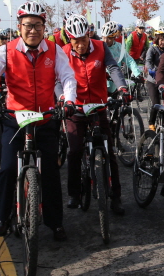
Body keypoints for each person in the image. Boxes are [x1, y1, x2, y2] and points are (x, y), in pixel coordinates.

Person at [0, 1, 77, 240]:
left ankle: (55, 222)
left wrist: (69, 100)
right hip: (15, 120)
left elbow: (68, 77)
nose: (33, 30)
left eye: (38, 25)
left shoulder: (53, 50)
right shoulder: (6, 51)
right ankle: (4, 218)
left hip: (45, 119)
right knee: (7, 169)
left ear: (44, 27)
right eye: (28, 25)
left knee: (50, 172)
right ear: (19, 27)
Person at [60, 15, 129, 214]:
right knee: (73, 151)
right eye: (75, 41)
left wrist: (122, 87)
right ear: (69, 39)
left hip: (98, 107)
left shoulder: (100, 46)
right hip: (76, 109)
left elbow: (113, 67)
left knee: (109, 151)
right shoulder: (64, 53)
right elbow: (58, 80)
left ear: (89, 35)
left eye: (83, 40)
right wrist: (63, 98)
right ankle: (74, 193)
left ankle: (116, 197)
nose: (80, 45)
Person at [101, 21, 142, 92]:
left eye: (109, 38)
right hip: (101, 84)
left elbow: (129, 60)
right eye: (104, 37)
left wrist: (137, 73)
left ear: (114, 37)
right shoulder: (98, 46)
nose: (105, 41)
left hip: (115, 85)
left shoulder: (119, 47)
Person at [146, 28, 164, 131]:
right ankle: (151, 123)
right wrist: (151, 70)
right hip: (152, 80)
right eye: (161, 39)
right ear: (157, 39)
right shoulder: (152, 49)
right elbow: (148, 61)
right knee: (156, 103)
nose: (163, 42)